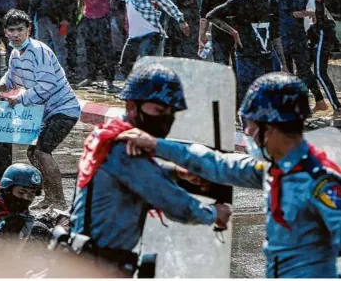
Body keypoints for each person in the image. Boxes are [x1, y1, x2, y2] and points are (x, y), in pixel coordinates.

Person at [119, 72, 341, 278]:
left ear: (270, 128)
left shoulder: (318, 181)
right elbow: (218, 163)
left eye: (251, 126)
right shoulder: (275, 170)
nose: (247, 133)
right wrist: (157, 145)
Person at [60, 63, 231, 277]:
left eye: (171, 113)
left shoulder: (109, 134)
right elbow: (171, 201)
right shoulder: (123, 147)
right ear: (132, 106)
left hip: (88, 257)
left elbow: (133, 178)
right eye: (159, 110)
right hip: (100, 265)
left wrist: (176, 173)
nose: (165, 119)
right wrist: (214, 213)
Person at [0, 9, 80, 209]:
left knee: (42, 151)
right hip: (47, 111)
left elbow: (46, 87)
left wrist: (19, 98)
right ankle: (49, 196)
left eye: (20, 30)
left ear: (29, 29)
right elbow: (10, 79)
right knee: (33, 153)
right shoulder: (14, 53)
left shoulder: (39, 50)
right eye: (11, 30)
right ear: (5, 32)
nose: (15, 34)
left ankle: (59, 201)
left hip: (64, 109)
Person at [205, 0, 287, 108]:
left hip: (266, 58)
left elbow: (275, 36)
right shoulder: (238, 2)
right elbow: (212, 16)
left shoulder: (272, 4)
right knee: (247, 94)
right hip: (245, 57)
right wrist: (233, 32)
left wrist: (283, 62)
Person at [58, 0, 123, 92]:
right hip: (88, 16)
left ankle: (109, 80)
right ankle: (90, 76)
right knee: (90, 48)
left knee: (106, 49)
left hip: (103, 15)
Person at [273, 0, 327, 112]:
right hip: (292, 34)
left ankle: (309, 103)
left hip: (288, 33)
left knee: (295, 71)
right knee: (299, 70)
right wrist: (309, 13)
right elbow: (293, 11)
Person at [115, 0, 189, 76]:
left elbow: (165, 2)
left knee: (145, 63)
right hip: (134, 35)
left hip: (150, 32)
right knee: (125, 65)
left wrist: (180, 18)